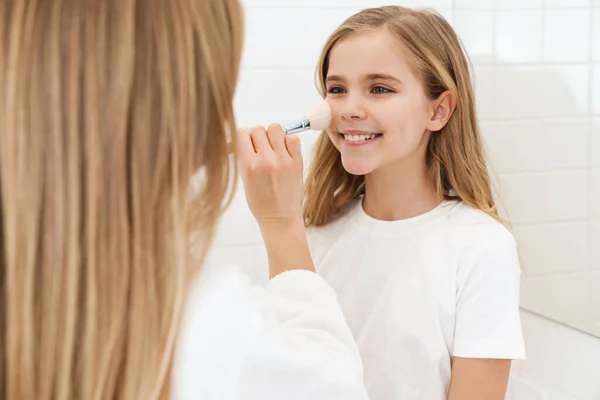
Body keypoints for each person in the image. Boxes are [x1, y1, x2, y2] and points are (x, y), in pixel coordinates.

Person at [0, 1, 368, 399]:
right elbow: (333, 386)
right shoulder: (208, 325)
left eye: (380, 88)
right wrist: (282, 225)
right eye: (336, 89)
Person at [302, 5, 526, 400]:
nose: (348, 109)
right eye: (337, 89)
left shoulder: (481, 248)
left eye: (380, 89)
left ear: (438, 110)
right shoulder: (314, 233)